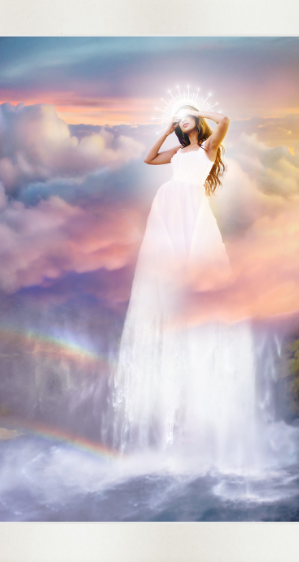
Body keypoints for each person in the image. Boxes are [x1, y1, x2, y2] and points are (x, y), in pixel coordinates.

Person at [107, 106, 262, 471]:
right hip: (167, 205)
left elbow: (226, 121)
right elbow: (148, 159)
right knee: (168, 262)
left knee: (195, 258)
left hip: (192, 206)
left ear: (196, 123)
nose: (182, 120)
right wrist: (166, 129)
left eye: (185, 118)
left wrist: (198, 108)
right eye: (180, 118)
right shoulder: (177, 152)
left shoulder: (208, 147)